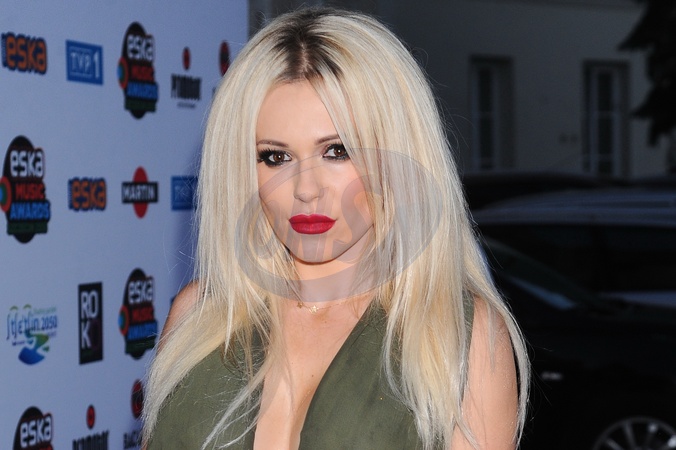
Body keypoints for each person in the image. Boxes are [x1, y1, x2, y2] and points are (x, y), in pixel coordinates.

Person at [142, 7, 529, 450]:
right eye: (275, 157)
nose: (306, 189)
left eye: (337, 151)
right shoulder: (200, 316)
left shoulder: (457, 335)